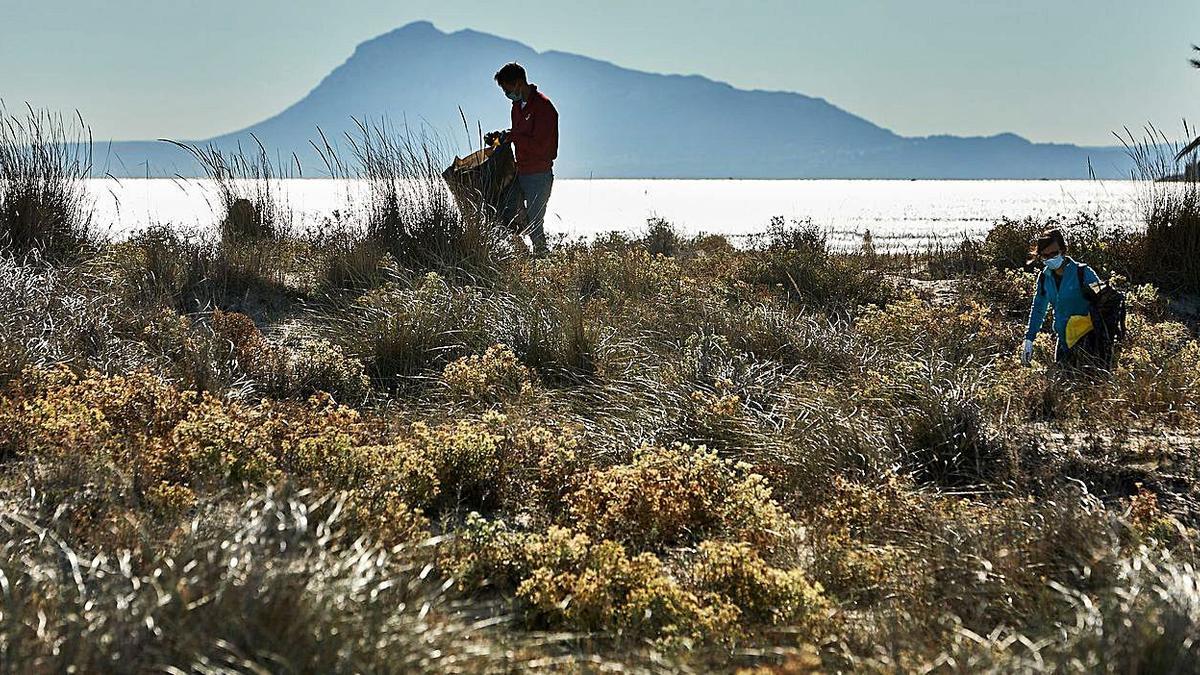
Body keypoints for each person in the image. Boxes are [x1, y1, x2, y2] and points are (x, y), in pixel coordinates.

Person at [485, 62, 558, 256]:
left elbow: (545, 147)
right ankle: (524, 256)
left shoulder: (544, 107)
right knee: (504, 213)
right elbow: (518, 134)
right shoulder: (517, 107)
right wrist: (501, 137)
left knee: (535, 223)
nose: (506, 94)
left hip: (539, 175)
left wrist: (514, 137)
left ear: (518, 83)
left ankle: (542, 260)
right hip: (520, 171)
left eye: (507, 89)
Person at [1021, 228, 1107, 368]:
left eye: (1054, 253)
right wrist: (1029, 339)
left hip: (1088, 345)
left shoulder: (1083, 273)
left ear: (1063, 250)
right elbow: (1038, 309)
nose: (1050, 259)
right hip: (1063, 344)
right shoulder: (1044, 278)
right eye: (1045, 256)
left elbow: (1104, 304)